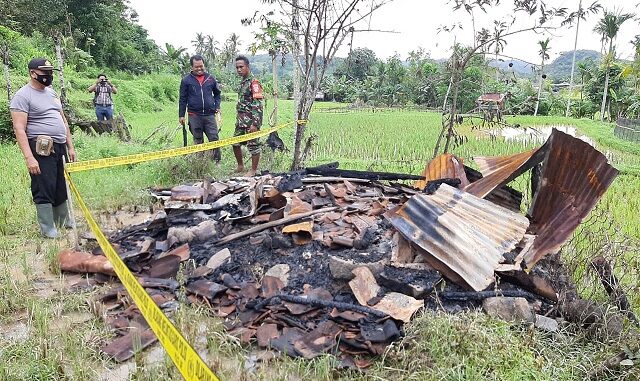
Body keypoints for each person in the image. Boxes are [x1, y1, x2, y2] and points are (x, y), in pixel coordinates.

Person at [9, 58, 77, 238]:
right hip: (41, 148)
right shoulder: (23, 96)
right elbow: (19, 128)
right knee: (44, 185)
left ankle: (63, 221)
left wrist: (70, 146)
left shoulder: (52, 93)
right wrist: (29, 157)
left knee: (60, 185)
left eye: (50, 72)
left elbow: (63, 120)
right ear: (33, 73)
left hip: (60, 146)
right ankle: (48, 228)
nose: (49, 76)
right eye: (45, 72)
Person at [178, 55, 222, 164]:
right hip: (194, 115)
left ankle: (217, 162)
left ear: (204, 65)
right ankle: (200, 163)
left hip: (209, 115)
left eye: (201, 66)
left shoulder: (210, 78)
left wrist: (217, 106)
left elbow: (217, 94)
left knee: (214, 139)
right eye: (196, 67)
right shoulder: (186, 80)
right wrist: (181, 115)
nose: (199, 69)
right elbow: (182, 98)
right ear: (192, 67)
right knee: (198, 140)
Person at [233, 55, 263, 176]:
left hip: (251, 121)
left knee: (253, 146)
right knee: (235, 143)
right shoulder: (242, 82)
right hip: (241, 121)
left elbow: (258, 104)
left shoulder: (254, 83)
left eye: (241, 67)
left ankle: (253, 170)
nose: (239, 70)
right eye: (237, 68)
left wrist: (255, 124)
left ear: (247, 66)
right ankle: (240, 166)